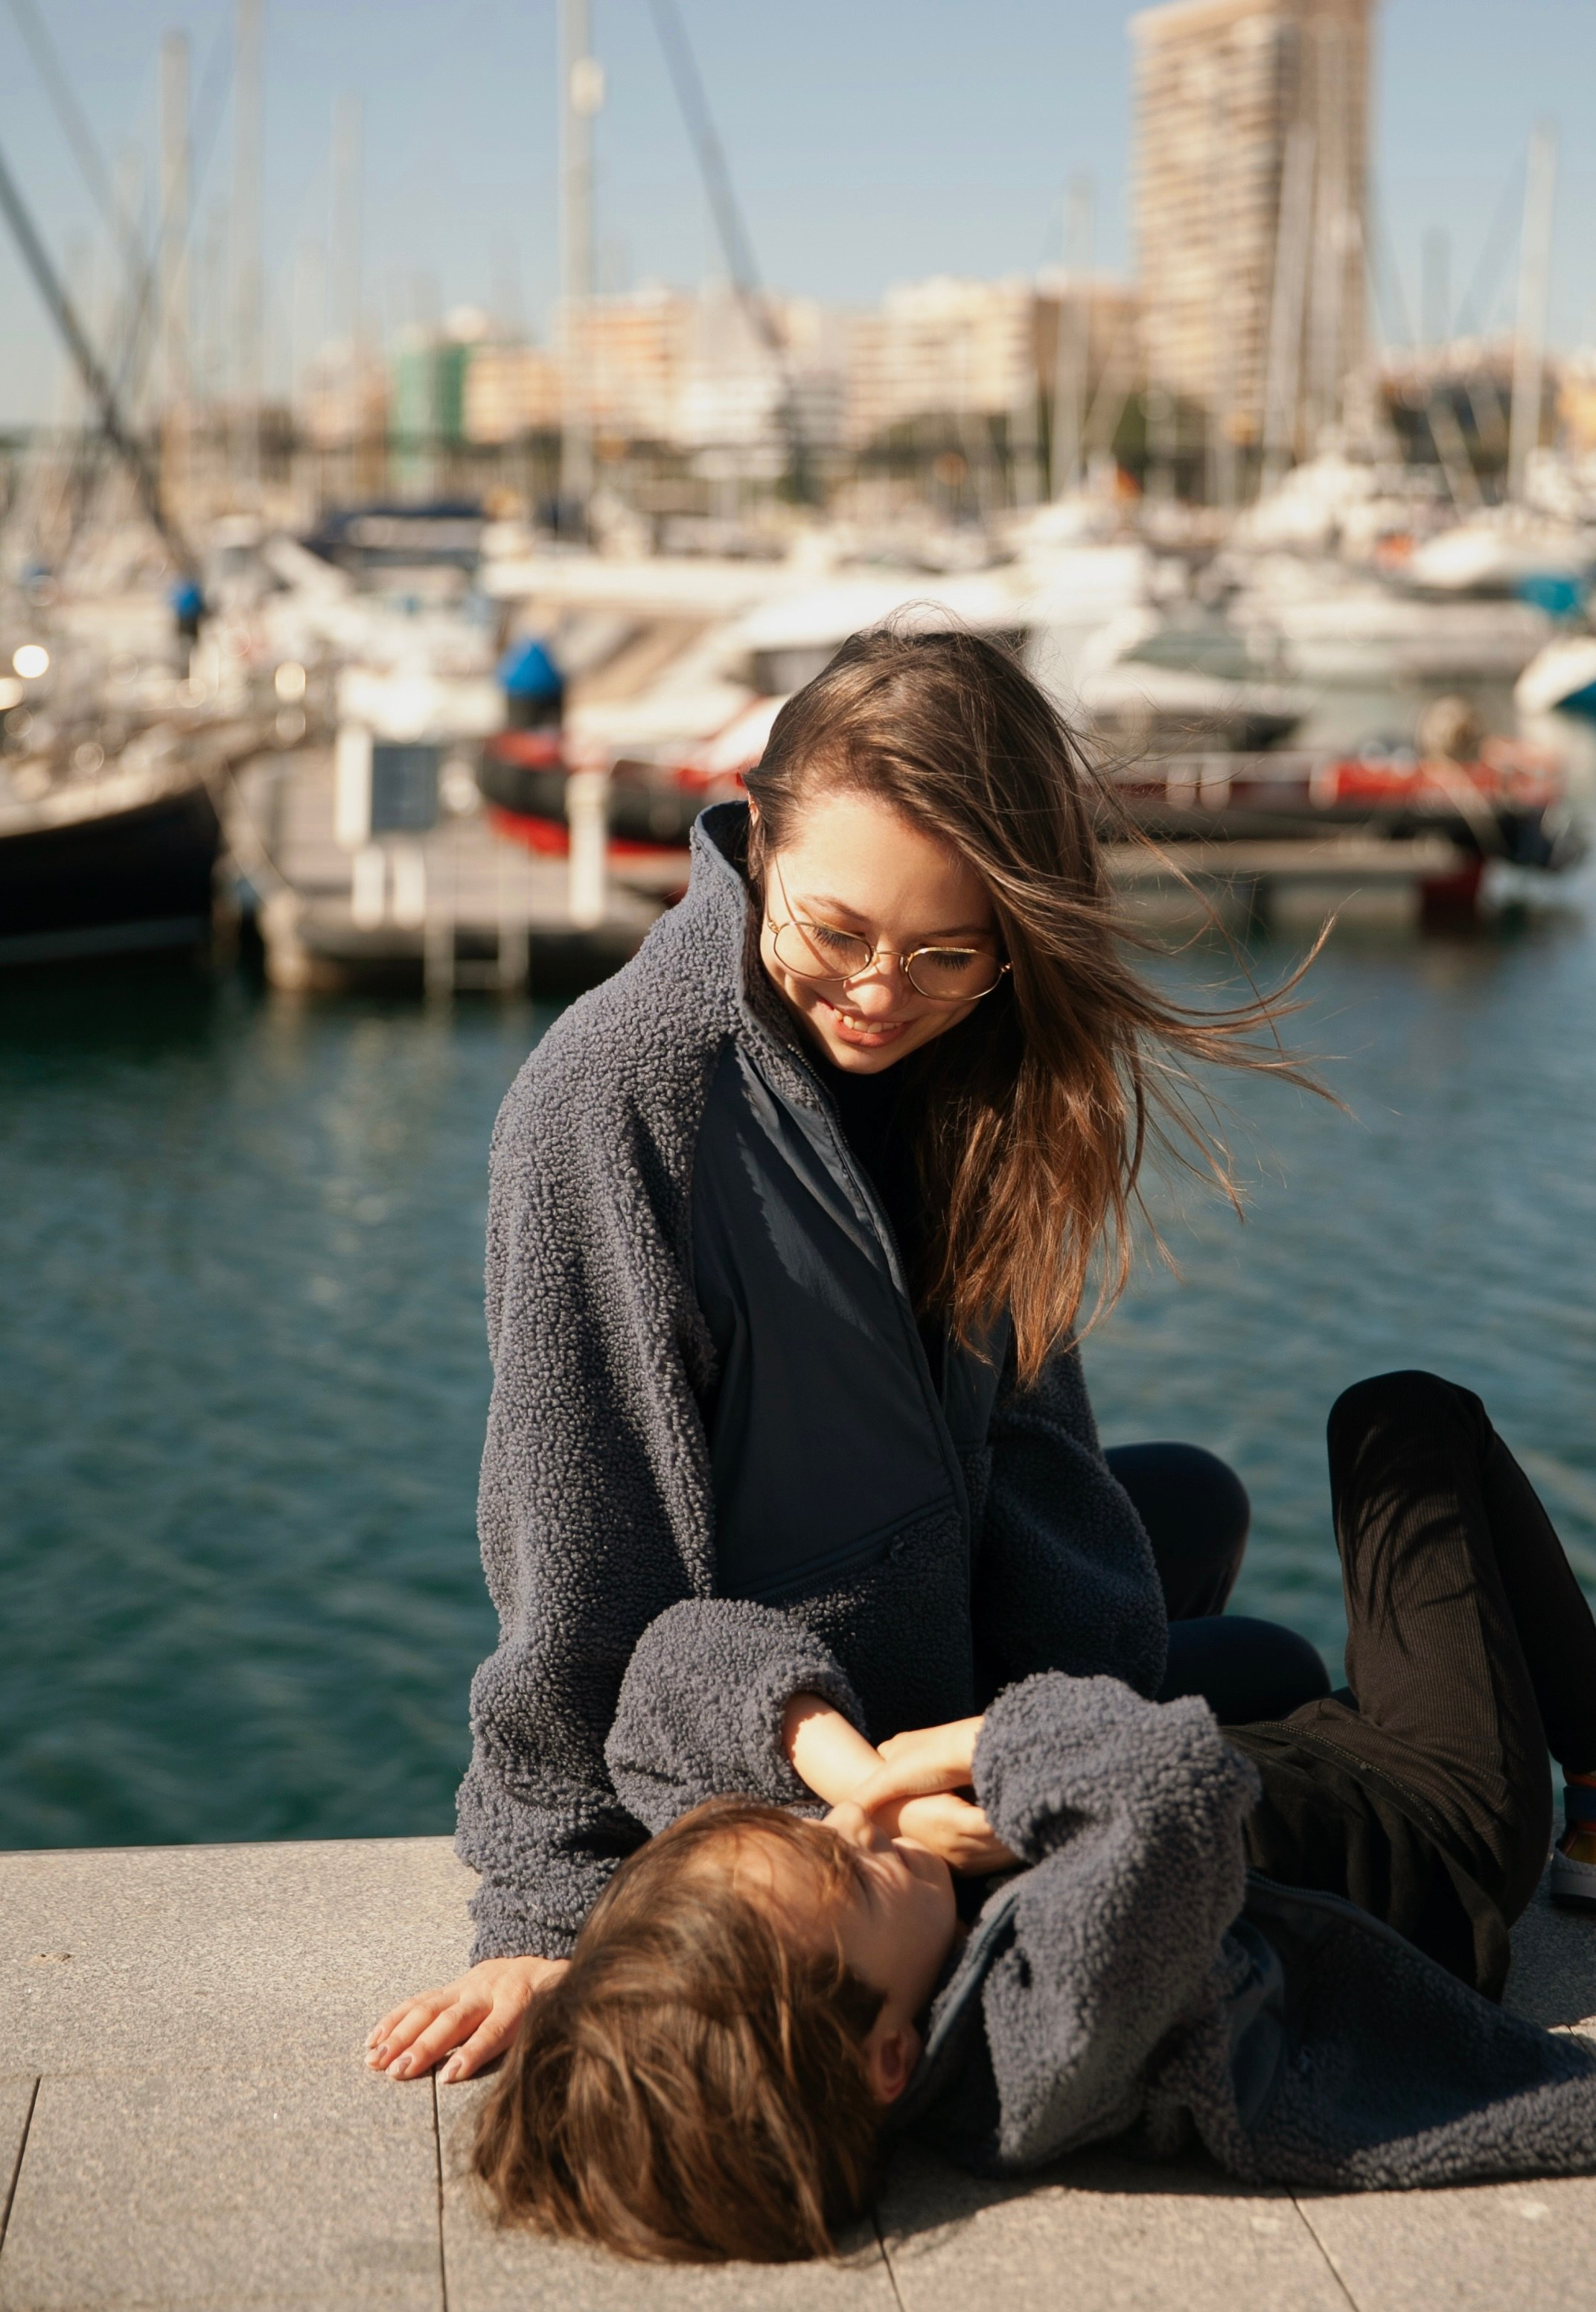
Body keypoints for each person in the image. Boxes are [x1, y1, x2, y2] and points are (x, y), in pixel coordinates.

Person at [370, 625, 1330, 2084]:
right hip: (772, 1721)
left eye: (950, 951)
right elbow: (577, 1531)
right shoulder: (617, 1095)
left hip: (931, 1633)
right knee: (1278, 1672)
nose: (884, 995)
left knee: (1192, 1503)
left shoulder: (979, 1060)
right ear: (757, 837)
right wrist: (557, 1917)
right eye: (837, 933)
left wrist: (1059, 1740)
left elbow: (1034, 1438)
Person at [456, 1369, 1596, 2263]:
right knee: (1401, 1421)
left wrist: (845, 1774)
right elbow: (1167, 1799)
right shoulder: (1036, 2030)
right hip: (1423, 1816)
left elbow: (674, 1667)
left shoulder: (857, 1920)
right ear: (890, 2063)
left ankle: (1496, 1713)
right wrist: (972, 1773)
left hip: (1290, 1786)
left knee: (1225, 1567)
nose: (861, 1836)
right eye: (850, 1875)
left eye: (813, 1834)